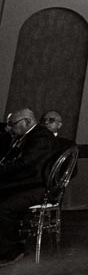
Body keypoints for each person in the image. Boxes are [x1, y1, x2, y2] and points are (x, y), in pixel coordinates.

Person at [0, 109, 65, 266]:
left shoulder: (40, 137)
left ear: (27, 122)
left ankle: (12, 249)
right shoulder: (30, 136)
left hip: (40, 188)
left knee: (3, 207)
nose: (9, 128)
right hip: (29, 184)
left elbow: (25, 165)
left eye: (12, 124)